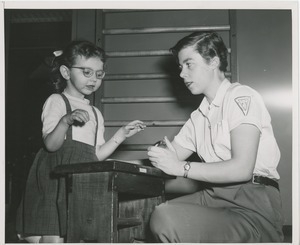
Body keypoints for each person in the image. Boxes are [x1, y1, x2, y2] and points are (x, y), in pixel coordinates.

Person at [147, 32, 284, 243]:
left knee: (168, 218)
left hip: (251, 199)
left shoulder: (241, 96)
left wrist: (180, 168)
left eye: (189, 64)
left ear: (213, 61)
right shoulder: (199, 116)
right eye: (180, 67)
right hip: (214, 195)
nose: (182, 74)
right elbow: (168, 157)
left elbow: (241, 168)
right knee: (159, 213)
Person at [16, 40, 146, 243]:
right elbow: (51, 145)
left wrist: (120, 135)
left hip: (80, 183)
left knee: (77, 234)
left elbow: (94, 156)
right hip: (55, 180)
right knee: (53, 236)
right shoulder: (57, 101)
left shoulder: (95, 113)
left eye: (99, 74)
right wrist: (65, 120)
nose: (93, 79)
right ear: (66, 73)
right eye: (86, 72)